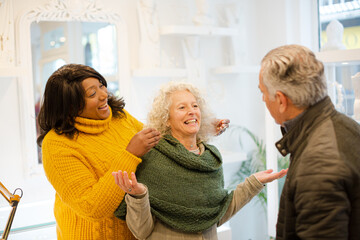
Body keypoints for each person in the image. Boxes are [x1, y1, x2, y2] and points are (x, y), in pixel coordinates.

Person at [37, 64, 229, 240]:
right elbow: (92, 207)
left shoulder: (119, 117)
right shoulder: (57, 146)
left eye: (101, 86)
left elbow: (159, 139)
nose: (104, 95)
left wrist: (197, 126)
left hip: (137, 233)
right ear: (71, 104)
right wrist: (130, 154)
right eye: (92, 93)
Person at [112, 81, 288, 240]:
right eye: (182, 107)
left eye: (195, 105)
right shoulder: (153, 159)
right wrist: (138, 195)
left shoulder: (210, 157)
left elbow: (215, 216)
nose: (192, 111)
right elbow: (141, 231)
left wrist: (254, 183)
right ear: (166, 119)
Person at [258, 44, 360, 239]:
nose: (263, 99)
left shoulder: (318, 163)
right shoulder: (346, 127)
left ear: (281, 100)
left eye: (263, 92)